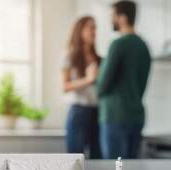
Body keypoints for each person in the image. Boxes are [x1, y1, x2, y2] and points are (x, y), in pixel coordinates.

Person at [97, 0, 151, 159]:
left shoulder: (118, 44)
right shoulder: (143, 46)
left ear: (122, 18)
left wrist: (94, 75)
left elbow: (102, 86)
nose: (110, 20)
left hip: (115, 116)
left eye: (112, 16)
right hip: (136, 115)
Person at [62, 16, 101, 159]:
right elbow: (65, 86)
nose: (94, 31)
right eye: (90, 27)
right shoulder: (70, 56)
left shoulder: (99, 59)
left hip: (98, 112)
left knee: (98, 158)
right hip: (78, 112)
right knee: (75, 159)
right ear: (80, 30)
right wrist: (88, 79)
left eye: (95, 28)